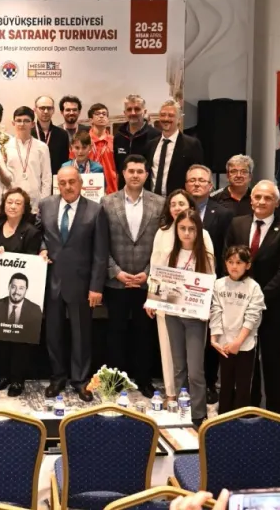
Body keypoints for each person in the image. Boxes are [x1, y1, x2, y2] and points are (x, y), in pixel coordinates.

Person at [224, 180, 280, 413]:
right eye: (257, 197)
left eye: (268, 198)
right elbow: (227, 260)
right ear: (251, 200)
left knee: (271, 360)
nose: (261, 202)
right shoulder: (237, 224)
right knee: (246, 360)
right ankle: (248, 407)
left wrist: (256, 299)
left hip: (271, 307)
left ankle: (274, 412)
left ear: (276, 202)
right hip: (237, 307)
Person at [39, 166, 110, 401]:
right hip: (52, 282)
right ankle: (57, 378)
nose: (67, 187)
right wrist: (42, 248)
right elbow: (39, 234)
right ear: (57, 185)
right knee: (53, 334)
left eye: (72, 182)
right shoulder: (46, 205)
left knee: (81, 335)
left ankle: (80, 380)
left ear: (80, 183)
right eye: (62, 183)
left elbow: (101, 253)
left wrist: (96, 287)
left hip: (81, 284)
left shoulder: (96, 210)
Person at [103, 155, 164, 394]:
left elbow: (163, 244)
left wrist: (148, 273)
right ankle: (114, 381)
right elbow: (101, 243)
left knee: (144, 334)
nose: (135, 175)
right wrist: (115, 272)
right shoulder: (107, 202)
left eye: (140, 171)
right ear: (123, 173)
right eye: (131, 171)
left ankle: (144, 380)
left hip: (146, 282)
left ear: (147, 175)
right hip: (117, 282)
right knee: (115, 334)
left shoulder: (160, 203)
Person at [149, 207, 214, 426]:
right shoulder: (170, 255)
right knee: (178, 367)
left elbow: (209, 287)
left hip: (196, 319)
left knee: (195, 370)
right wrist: (152, 300)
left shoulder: (206, 257)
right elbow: (158, 282)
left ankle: (198, 414)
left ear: (198, 231)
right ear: (176, 230)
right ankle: (181, 411)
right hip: (173, 315)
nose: (187, 233)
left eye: (191, 229)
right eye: (183, 228)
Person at [186, 163, 233, 403]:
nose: (196, 184)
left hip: (211, 284)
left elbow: (226, 249)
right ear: (186, 185)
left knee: (209, 335)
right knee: (184, 336)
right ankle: (185, 382)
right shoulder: (177, 209)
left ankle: (209, 383)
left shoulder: (223, 213)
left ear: (211, 185)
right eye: (192, 180)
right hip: (182, 285)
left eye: (201, 180)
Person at [0, 188, 45, 396]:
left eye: (18, 203)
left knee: (19, 338)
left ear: (25, 208)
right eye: (9, 202)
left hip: (20, 293)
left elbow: (30, 263)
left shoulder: (30, 231)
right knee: (0, 336)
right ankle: (2, 374)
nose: (13, 206)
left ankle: (17, 379)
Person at [211, 245, 266, 414]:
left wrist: (238, 342)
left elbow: (252, 318)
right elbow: (215, 310)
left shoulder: (253, 287)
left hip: (245, 344)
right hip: (224, 344)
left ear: (247, 265)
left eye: (239, 262)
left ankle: (241, 421)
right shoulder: (219, 284)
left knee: (243, 386)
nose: (234, 266)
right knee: (225, 384)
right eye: (230, 262)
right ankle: (223, 419)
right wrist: (214, 339)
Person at [148, 99, 206, 196]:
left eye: (171, 115)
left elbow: (197, 174)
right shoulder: (151, 145)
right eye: (163, 115)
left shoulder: (192, 145)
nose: (166, 118)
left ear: (179, 119)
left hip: (179, 200)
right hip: (153, 200)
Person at [5, 105, 52, 201]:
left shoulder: (42, 147)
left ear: (32, 124)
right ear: (13, 123)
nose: (22, 124)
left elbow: (46, 178)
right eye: (18, 120)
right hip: (12, 200)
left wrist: (44, 202)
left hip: (35, 201)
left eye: (26, 121)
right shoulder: (5, 146)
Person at [114, 94, 161, 187]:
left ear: (144, 111)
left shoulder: (156, 136)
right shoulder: (118, 137)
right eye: (129, 109)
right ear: (125, 113)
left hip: (147, 191)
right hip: (123, 190)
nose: (133, 113)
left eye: (137, 109)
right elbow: (117, 168)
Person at [33, 95, 71, 179]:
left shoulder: (62, 134)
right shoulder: (29, 133)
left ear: (53, 110)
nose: (46, 111)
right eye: (42, 108)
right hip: (33, 180)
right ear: (35, 110)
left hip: (56, 180)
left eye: (49, 108)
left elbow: (64, 162)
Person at [84, 103, 119, 193]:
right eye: (97, 114)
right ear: (90, 120)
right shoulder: (83, 141)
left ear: (107, 119)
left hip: (111, 190)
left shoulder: (115, 141)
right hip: (87, 189)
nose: (101, 116)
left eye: (104, 114)